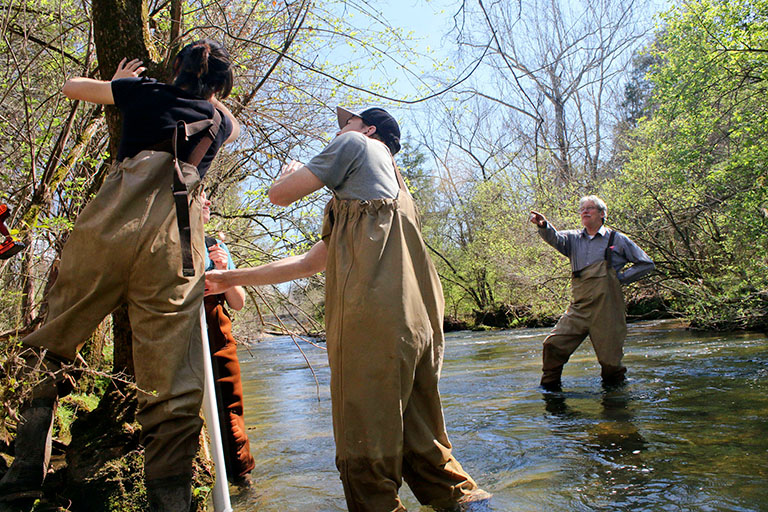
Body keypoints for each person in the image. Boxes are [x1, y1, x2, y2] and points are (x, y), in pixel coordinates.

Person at [206, 106, 491, 512]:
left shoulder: (356, 145)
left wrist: (290, 173)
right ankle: (472, 504)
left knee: (363, 443)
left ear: (368, 130)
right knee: (421, 439)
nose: (340, 130)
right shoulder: (388, 187)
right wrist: (230, 279)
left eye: (348, 123)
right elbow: (308, 264)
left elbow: (279, 195)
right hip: (419, 322)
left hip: (375, 319)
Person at [0, 40, 239, 510]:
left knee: (51, 343)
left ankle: (21, 479)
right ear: (220, 86)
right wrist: (208, 91)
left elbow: (71, 87)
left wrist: (123, 82)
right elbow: (223, 110)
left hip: (108, 230)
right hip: (173, 245)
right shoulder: (222, 122)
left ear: (175, 70)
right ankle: (169, 501)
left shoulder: (141, 92)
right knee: (172, 380)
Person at [530, 195, 655, 392]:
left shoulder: (617, 239)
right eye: (582, 209)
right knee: (553, 345)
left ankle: (615, 401)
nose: (585, 212)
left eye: (590, 208)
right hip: (578, 308)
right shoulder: (572, 239)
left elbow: (646, 264)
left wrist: (619, 278)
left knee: (610, 363)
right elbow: (554, 237)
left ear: (602, 214)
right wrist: (544, 225)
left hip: (607, 310)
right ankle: (550, 392)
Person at [201, 191, 256, 486]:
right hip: (180, 332)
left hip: (217, 332)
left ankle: (242, 479)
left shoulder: (216, 245)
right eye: (201, 197)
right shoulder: (166, 238)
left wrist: (223, 273)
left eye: (210, 196)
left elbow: (238, 303)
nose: (209, 202)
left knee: (229, 406)